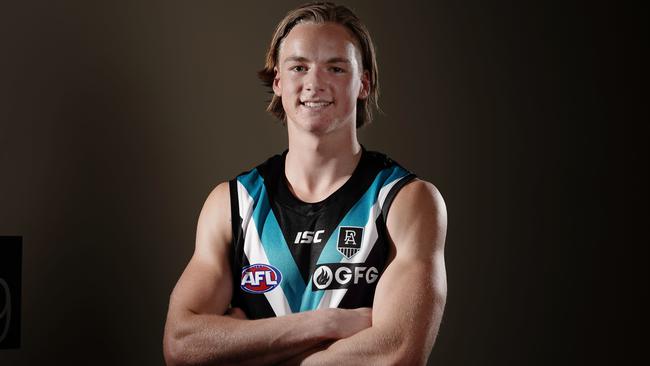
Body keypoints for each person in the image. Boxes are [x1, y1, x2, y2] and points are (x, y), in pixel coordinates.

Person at [163, 2, 447, 365]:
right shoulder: (233, 203)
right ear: (278, 82)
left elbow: (397, 353)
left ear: (363, 84)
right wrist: (325, 324)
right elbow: (181, 344)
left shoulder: (405, 200)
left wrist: (244, 350)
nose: (314, 83)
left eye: (336, 67)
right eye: (299, 67)